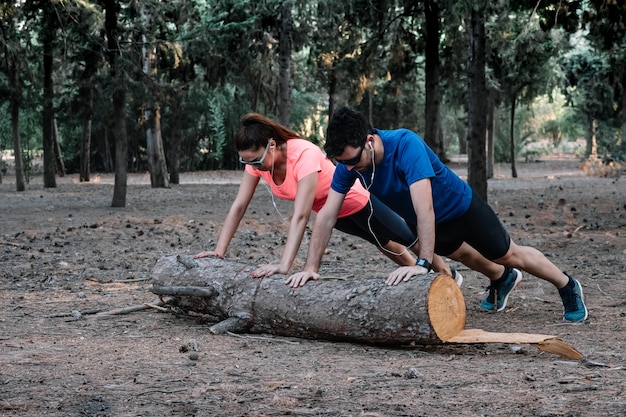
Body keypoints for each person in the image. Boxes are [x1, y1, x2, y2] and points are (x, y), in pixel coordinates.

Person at [288, 107, 588, 323]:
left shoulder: (406, 145)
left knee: (509, 254)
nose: (350, 169)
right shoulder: (348, 165)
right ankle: (503, 280)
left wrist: (423, 262)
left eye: (353, 161)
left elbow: (424, 207)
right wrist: (311, 266)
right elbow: (327, 214)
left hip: (462, 209)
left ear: (368, 140)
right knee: (466, 258)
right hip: (433, 225)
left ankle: (567, 285)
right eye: (344, 164)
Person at [193, 112, 459, 287]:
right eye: (247, 161)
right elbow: (239, 206)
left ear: (271, 146)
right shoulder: (257, 164)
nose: (254, 166)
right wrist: (219, 251)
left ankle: (447, 275)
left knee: (406, 238)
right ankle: (424, 288)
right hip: (333, 214)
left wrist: (284, 266)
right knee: (385, 245)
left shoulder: (304, 155)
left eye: (257, 160)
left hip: (358, 201)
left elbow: (300, 215)